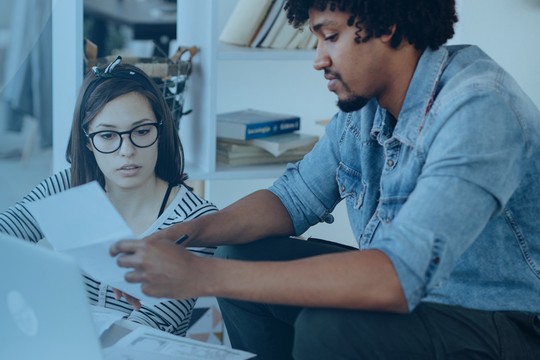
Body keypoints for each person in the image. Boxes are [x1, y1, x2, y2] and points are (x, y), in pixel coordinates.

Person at [110, 0, 540, 358]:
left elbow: (398, 275)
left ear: (385, 25)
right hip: (413, 298)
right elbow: (292, 199)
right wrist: (181, 236)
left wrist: (199, 276)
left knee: (330, 327)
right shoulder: (368, 108)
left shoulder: (479, 109)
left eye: (329, 36)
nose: (318, 59)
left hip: (501, 323)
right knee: (238, 255)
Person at [0, 56, 218, 337]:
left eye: (141, 131)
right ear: (88, 141)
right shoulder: (68, 186)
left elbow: (153, 323)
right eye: (107, 136)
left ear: (160, 132)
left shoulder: (197, 220)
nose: (126, 150)